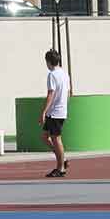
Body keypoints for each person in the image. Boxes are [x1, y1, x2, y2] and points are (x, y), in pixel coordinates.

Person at [40, 49, 71, 177]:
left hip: (55, 112)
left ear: (48, 62)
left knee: (56, 139)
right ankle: (61, 159)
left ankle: (60, 168)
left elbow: (51, 94)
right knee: (45, 137)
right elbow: (69, 93)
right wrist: (65, 106)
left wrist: (43, 111)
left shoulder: (52, 75)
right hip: (59, 111)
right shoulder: (64, 74)